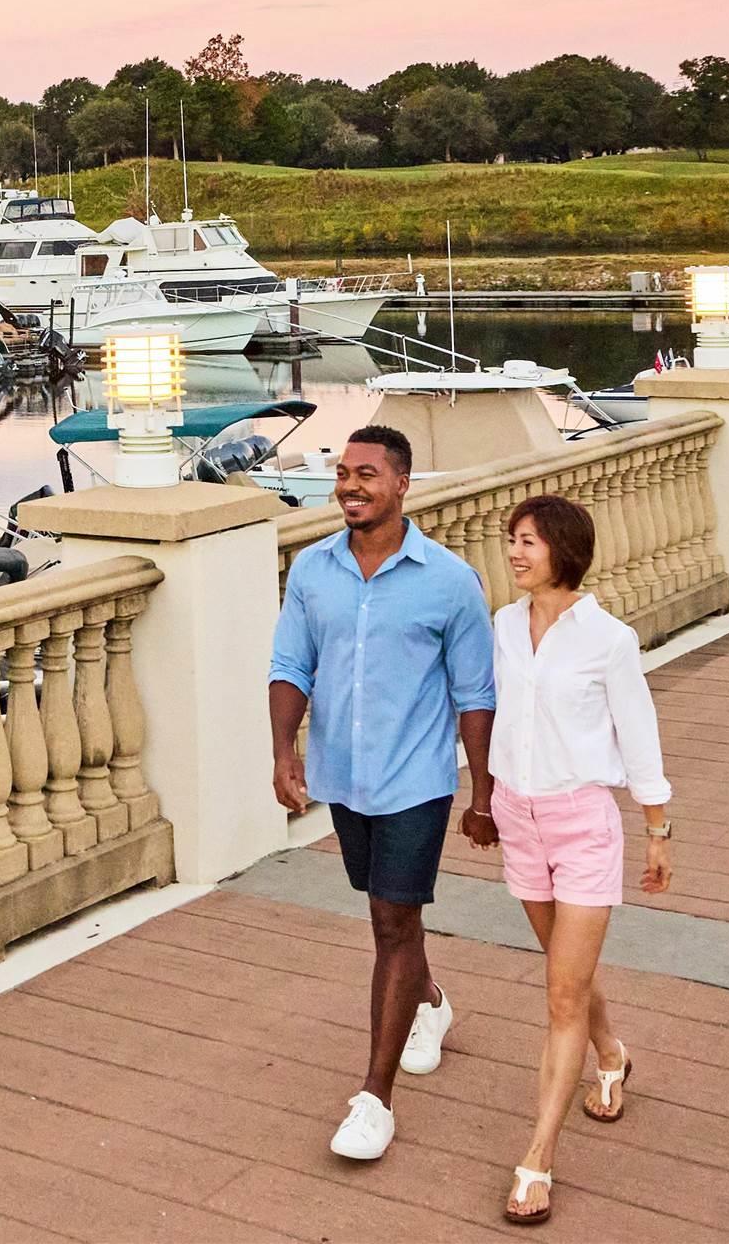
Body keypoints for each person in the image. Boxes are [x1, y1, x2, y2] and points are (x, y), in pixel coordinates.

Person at [268, 423, 496, 1164]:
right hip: (344, 776)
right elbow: (291, 666)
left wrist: (482, 794)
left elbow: (474, 694)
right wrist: (283, 752)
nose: (350, 485)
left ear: (402, 484)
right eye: (343, 473)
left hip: (418, 779)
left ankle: (374, 1098)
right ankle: (428, 1001)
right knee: (382, 909)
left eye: (367, 474)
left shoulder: (450, 580)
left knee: (394, 921)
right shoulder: (311, 571)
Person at [479, 494, 674, 1228]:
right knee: (569, 973)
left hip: (584, 822)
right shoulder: (503, 625)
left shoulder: (608, 640)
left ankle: (537, 1159)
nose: (515, 552)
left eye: (528, 541)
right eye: (511, 540)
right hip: (517, 817)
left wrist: (658, 827)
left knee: (561, 994)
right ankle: (612, 1054)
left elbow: (638, 732)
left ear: (564, 548)